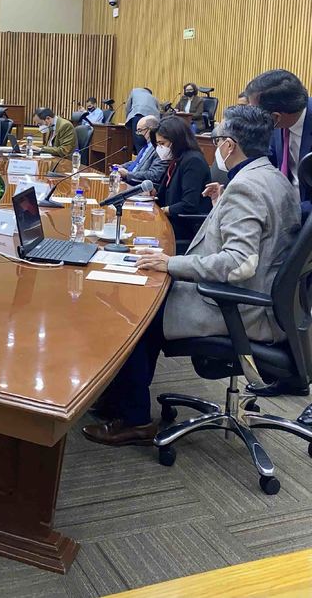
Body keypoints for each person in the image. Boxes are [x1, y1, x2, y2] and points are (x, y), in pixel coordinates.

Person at [83, 106, 298, 446]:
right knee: (142, 298)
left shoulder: (247, 187)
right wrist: (220, 206)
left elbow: (239, 264)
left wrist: (170, 263)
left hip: (239, 308)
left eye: (218, 138)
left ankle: (134, 419)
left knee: (135, 312)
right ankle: (118, 401)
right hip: (264, 301)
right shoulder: (273, 178)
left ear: (229, 145)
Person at [244, 69, 312, 218]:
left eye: (255, 111)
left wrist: (290, 213)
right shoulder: (279, 122)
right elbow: (268, 161)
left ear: (276, 117)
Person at [151, 115, 212, 240]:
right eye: (158, 144)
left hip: (185, 228)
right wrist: (154, 192)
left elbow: (189, 204)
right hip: (171, 222)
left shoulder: (193, 161)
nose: (160, 148)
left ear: (176, 140)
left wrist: (163, 210)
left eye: (162, 143)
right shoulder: (176, 160)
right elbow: (169, 190)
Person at [118, 115, 168, 186]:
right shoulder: (146, 146)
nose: (138, 134)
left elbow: (154, 175)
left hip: (139, 186)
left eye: (140, 130)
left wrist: (128, 174)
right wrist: (121, 167)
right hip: (129, 182)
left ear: (150, 129)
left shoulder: (160, 149)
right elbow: (138, 162)